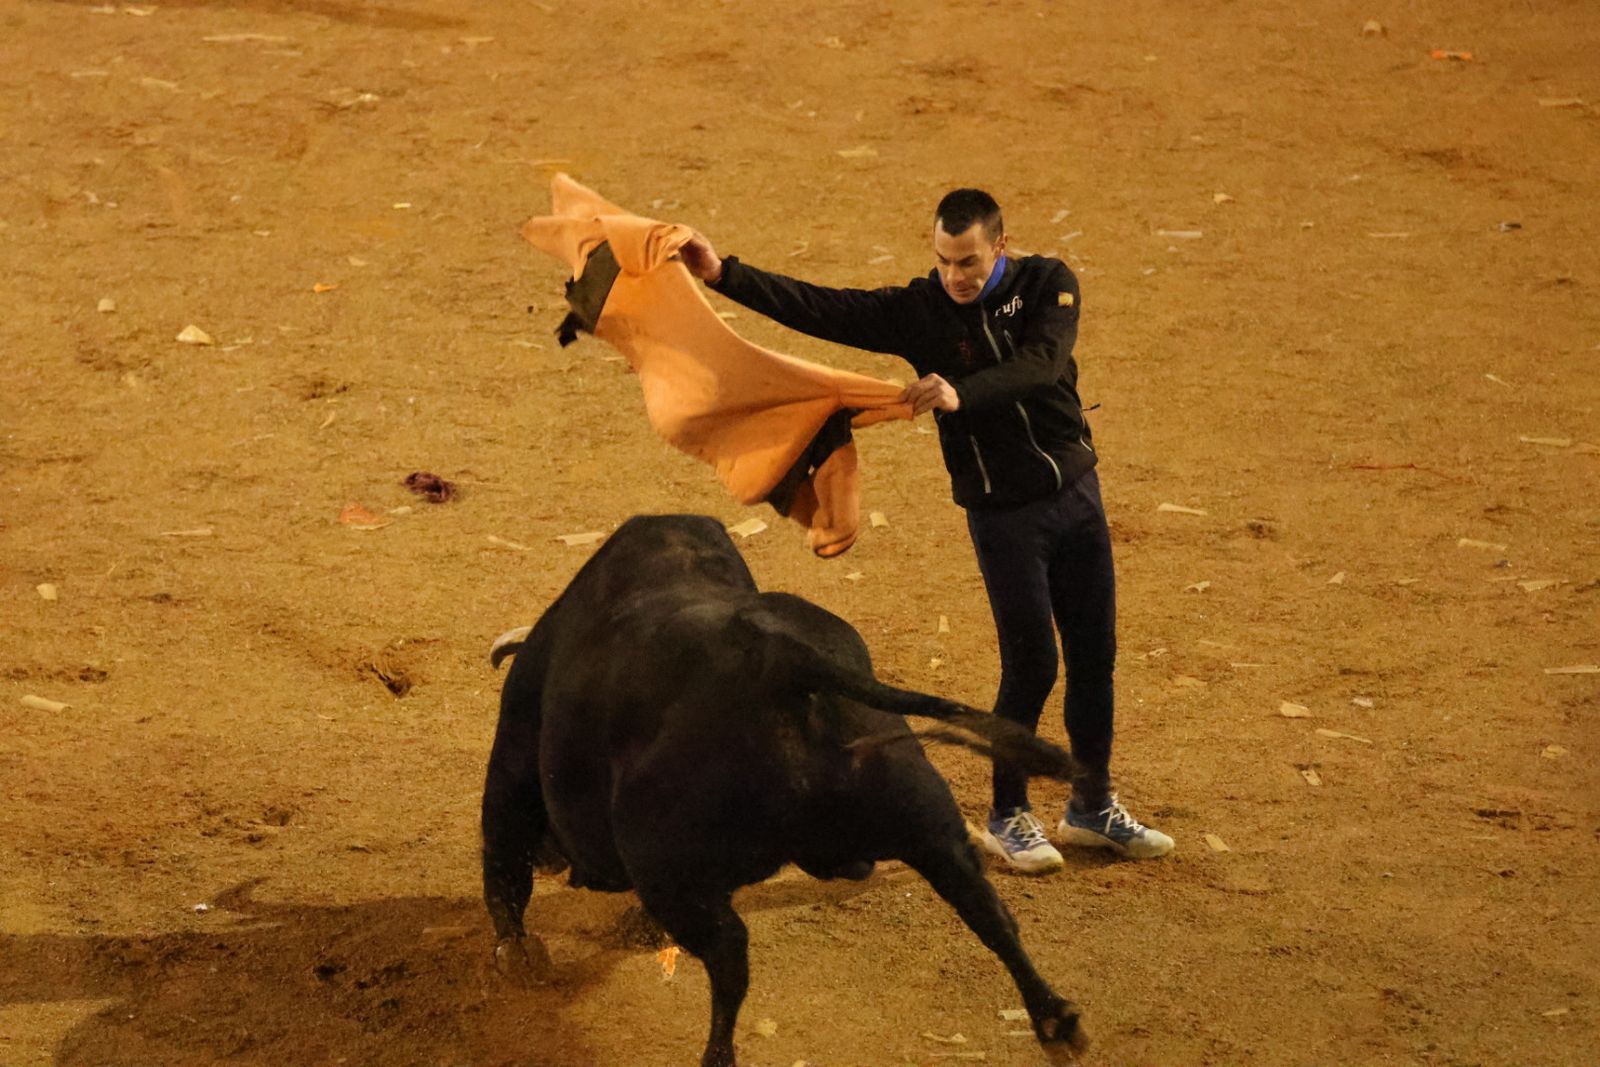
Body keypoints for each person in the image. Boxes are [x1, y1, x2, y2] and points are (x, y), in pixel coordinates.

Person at [678, 189, 1174, 872]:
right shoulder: (922, 311)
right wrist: (722, 273)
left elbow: (1044, 363)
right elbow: (823, 307)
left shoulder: (1048, 284)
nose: (955, 277)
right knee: (1033, 664)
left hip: (1077, 498)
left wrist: (959, 393)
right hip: (1005, 516)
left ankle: (1091, 803)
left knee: (1096, 655)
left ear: (1000, 245)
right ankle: (1009, 813)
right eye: (943, 261)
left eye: (967, 262)